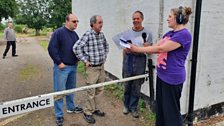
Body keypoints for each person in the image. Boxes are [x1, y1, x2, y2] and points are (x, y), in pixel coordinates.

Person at [129, 6, 192, 126]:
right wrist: (142, 47)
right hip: (162, 76)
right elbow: (157, 47)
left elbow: (161, 48)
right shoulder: (170, 33)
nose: (167, 19)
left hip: (172, 79)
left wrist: (137, 49)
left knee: (171, 112)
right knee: (161, 109)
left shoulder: (184, 35)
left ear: (178, 19)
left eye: (170, 16)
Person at [112, 10, 153, 118]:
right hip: (128, 60)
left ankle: (133, 107)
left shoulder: (148, 33)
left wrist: (145, 47)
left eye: (137, 18)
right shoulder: (126, 33)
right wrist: (125, 51)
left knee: (137, 85)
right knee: (127, 84)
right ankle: (126, 105)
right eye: (134, 19)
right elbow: (123, 48)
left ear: (142, 19)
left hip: (140, 60)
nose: (135, 21)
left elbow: (149, 50)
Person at [73, 15, 109, 124]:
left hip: (101, 67)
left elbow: (106, 46)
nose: (101, 25)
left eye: (102, 22)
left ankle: (95, 108)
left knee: (100, 89)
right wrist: (85, 60)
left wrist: (104, 57)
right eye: (99, 22)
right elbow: (76, 48)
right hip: (92, 69)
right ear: (93, 24)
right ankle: (87, 112)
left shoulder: (101, 35)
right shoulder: (88, 34)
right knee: (91, 91)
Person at [48, 13, 83, 126]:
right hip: (62, 68)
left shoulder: (75, 34)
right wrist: (59, 62)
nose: (76, 23)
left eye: (77, 21)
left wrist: (78, 59)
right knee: (59, 91)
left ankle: (70, 108)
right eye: (74, 21)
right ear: (67, 21)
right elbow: (51, 48)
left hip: (73, 66)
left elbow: (77, 49)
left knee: (70, 89)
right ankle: (59, 114)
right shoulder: (59, 32)